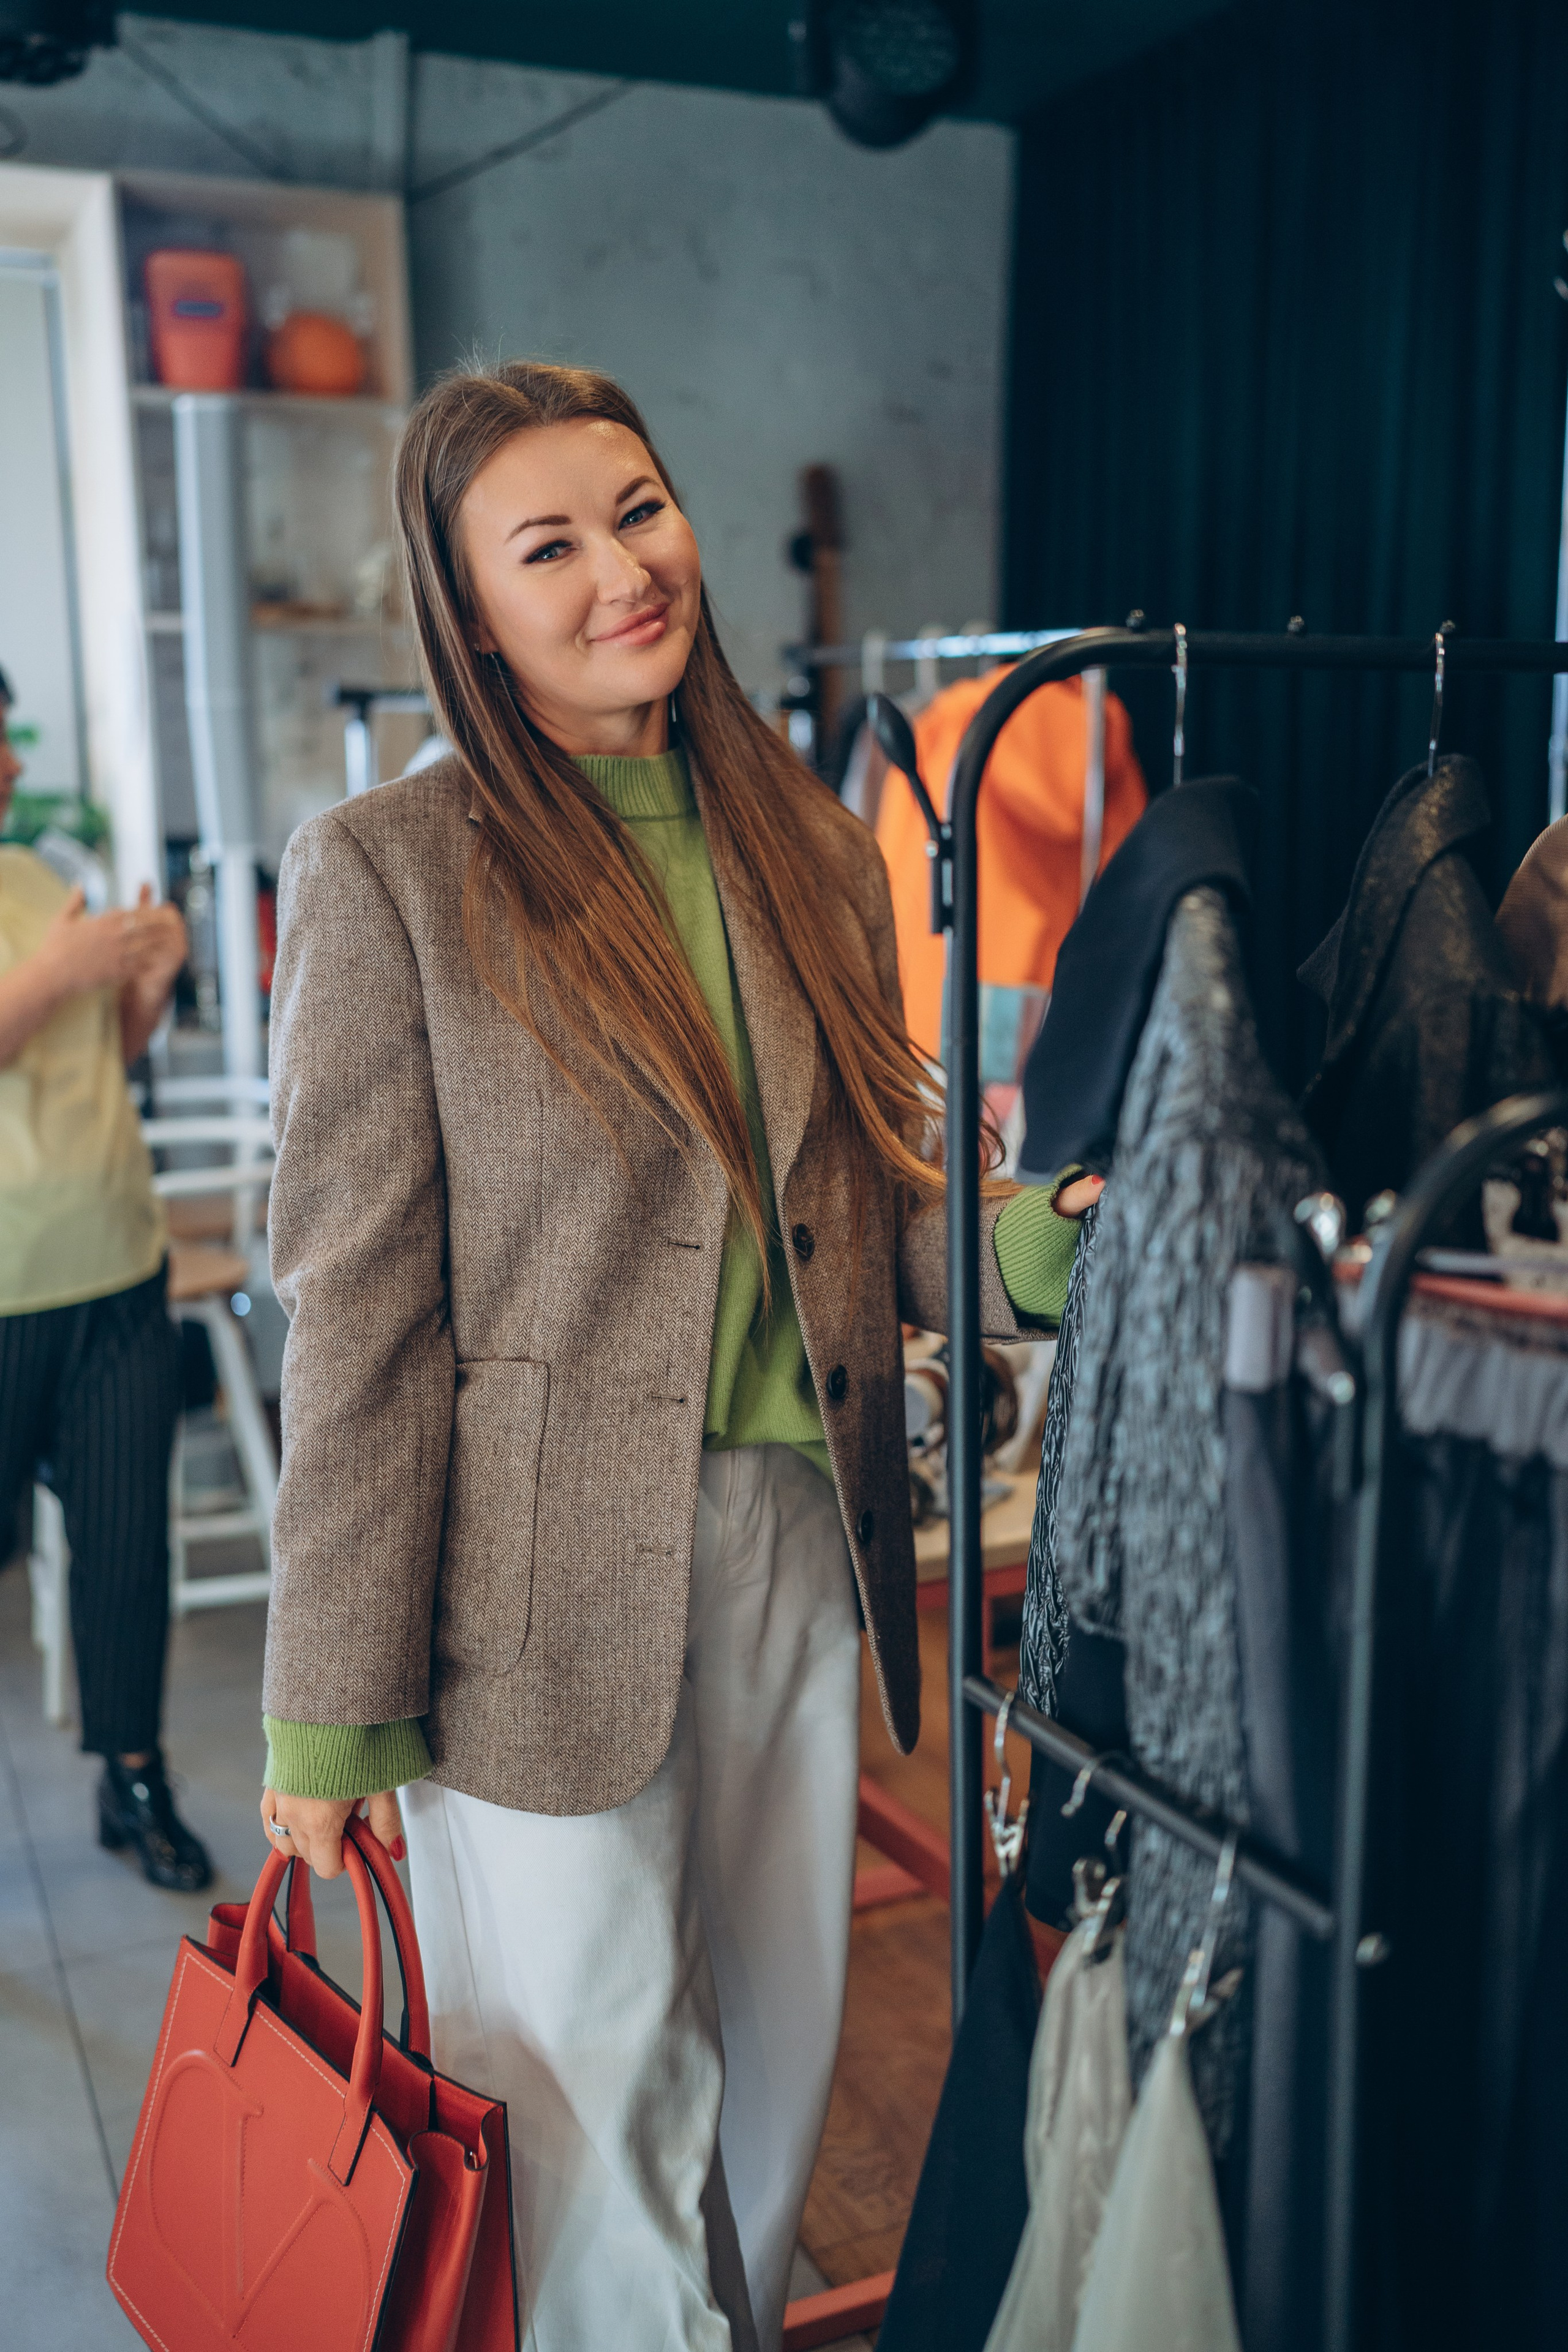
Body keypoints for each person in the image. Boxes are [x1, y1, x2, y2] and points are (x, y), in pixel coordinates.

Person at [258, 361, 1100, 2352]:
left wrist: (1042, 1244)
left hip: (799, 1541)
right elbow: (359, 1316)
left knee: (780, 2078)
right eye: (549, 545)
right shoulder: (394, 870)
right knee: (589, 2107)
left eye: (637, 511)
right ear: (471, 611)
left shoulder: (806, 842)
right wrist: (327, 1709)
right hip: (526, 1588)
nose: (623, 570)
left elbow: (868, 1205)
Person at [0, 666, 210, 1891]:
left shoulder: (37, 883)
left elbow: (105, 1054)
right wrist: (55, 974)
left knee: (129, 1550)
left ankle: (136, 1781)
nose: (13, 764)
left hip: (118, 1268)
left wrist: (146, 984)